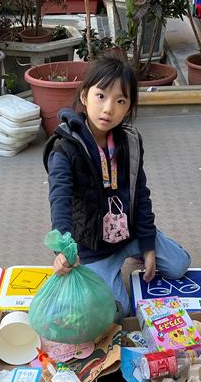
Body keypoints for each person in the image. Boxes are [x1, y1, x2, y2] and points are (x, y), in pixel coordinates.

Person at [44, 54, 191, 313]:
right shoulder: (64, 148)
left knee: (180, 265)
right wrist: (64, 249)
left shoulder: (131, 141)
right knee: (119, 310)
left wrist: (147, 244)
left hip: (129, 234)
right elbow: (60, 201)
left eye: (120, 100)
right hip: (93, 248)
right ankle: (102, 269)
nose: (108, 108)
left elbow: (141, 193)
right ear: (84, 96)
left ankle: (134, 253)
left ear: (129, 107)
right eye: (101, 96)